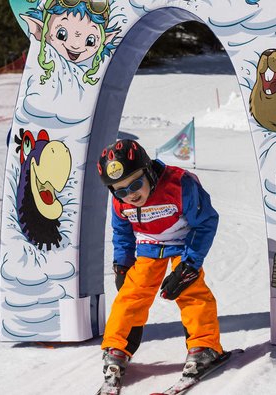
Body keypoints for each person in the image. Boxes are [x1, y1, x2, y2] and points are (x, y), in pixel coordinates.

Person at [96, 139, 223, 382]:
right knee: (132, 294)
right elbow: (121, 232)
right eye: (121, 190)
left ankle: (205, 345)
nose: (131, 195)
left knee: (191, 290)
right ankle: (116, 347)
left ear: (148, 171)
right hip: (149, 246)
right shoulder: (119, 201)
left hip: (182, 244)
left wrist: (190, 264)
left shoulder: (179, 184)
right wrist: (122, 264)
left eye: (135, 184)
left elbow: (206, 221)